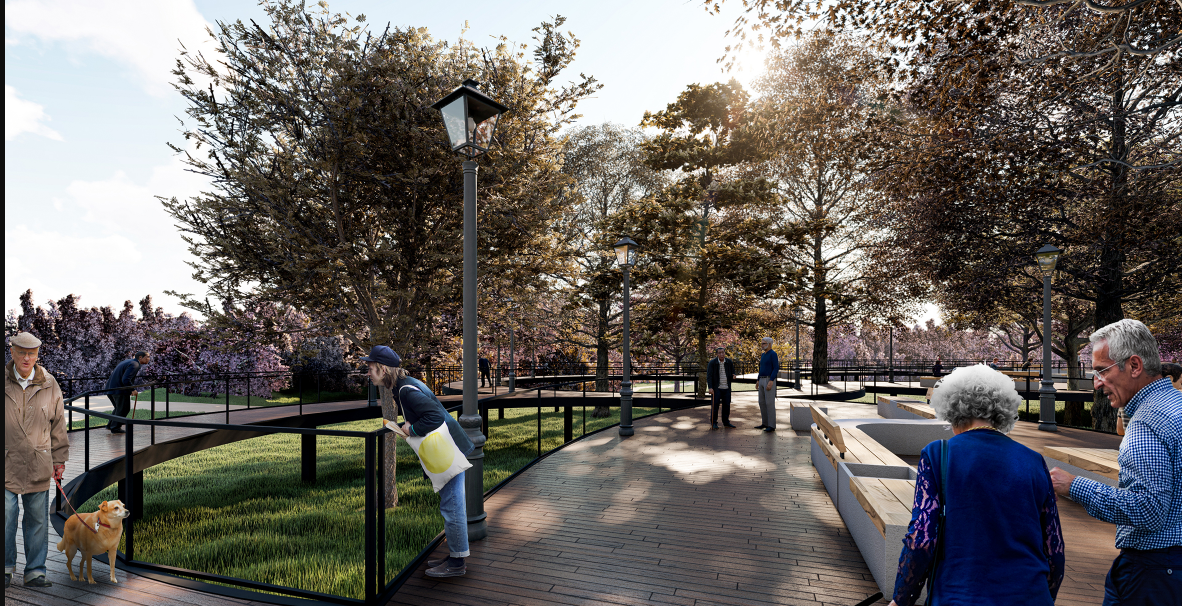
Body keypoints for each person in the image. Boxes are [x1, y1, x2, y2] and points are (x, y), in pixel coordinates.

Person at [889, 364, 1064, 606]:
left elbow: (922, 539)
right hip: (1030, 596)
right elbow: (1054, 550)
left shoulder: (938, 454)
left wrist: (902, 598)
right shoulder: (1034, 461)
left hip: (959, 595)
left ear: (953, 410)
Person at [1049, 319, 1182, 606]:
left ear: (1134, 366)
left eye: (1101, 371)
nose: (1096, 383)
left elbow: (1148, 511)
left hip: (1154, 571)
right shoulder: (1176, 406)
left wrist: (1072, 486)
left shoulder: (1148, 422)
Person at [363, 345, 474, 578]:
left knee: (452, 507)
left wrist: (411, 428)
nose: (369, 373)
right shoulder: (404, 385)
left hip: (449, 452)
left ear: (383, 370)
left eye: (371, 369)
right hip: (450, 449)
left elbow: (433, 416)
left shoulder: (405, 390)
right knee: (451, 505)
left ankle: (457, 564)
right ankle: (456, 555)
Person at [5, 332, 69, 589]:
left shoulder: (50, 383)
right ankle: (5, 568)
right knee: (6, 518)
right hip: (6, 463)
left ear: (38, 354)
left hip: (39, 463)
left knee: (38, 521)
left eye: (32, 353)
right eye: (22, 352)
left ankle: (35, 572)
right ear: (12, 352)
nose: (27, 357)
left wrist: (60, 459)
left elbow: (58, 425)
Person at [104, 351, 150, 434]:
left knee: (119, 408)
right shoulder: (135, 364)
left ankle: (110, 425)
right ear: (140, 357)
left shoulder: (129, 361)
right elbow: (126, 379)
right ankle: (115, 428)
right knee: (123, 409)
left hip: (111, 389)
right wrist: (132, 389)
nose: (149, 359)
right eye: (147, 357)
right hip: (119, 390)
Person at [706, 346, 736, 430]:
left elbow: (732, 371)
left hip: (726, 387)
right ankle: (714, 422)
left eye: (723, 352)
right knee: (715, 406)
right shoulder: (712, 363)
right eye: (719, 353)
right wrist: (710, 387)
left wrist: (733, 375)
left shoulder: (729, 362)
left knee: (726, 405)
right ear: (717, 354)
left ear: (725, 353)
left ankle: (726, 422)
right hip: (717, 388)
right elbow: (709, 376)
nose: (721, 354)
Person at [756, 337, 779, 432]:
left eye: (763, 343)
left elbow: (776, 368)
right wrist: (757, 380)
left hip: (769, 379)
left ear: (769, 344)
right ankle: (764, 423)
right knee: (761, 402)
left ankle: (771, 425)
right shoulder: (763, 355)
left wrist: (771, 380)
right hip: (761, 379)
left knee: (769, 403)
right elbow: (761, 368)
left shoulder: (773, 354)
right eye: (761, 343)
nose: (762, 345)